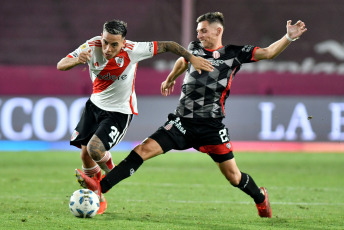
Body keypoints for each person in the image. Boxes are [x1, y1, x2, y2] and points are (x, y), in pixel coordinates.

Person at [75, 12, 307, 218]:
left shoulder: (235, 54)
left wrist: (288, 37)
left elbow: (268, 53)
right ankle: (100, 188)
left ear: (218, 30)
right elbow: (182, 59)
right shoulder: (194, 48)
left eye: (204, 30)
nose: (200, 35)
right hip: (181, 123)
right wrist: (171, 77)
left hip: (211, 128)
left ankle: (260, 197)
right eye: (198, 31)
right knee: (141, 151)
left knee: (234, 177)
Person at [57, 19, 213, 215]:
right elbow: (61, 65)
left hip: (120, 111)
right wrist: (77, 60)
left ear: (124, 42)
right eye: (105, 42)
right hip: (94, 106)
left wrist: (192, 58)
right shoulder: (92, 45)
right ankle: (99, 197)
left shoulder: (134, 49)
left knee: (94, 150)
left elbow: (169, 45)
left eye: (114, 44)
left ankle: (111, 171)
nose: (107, 48)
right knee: (85, 156)